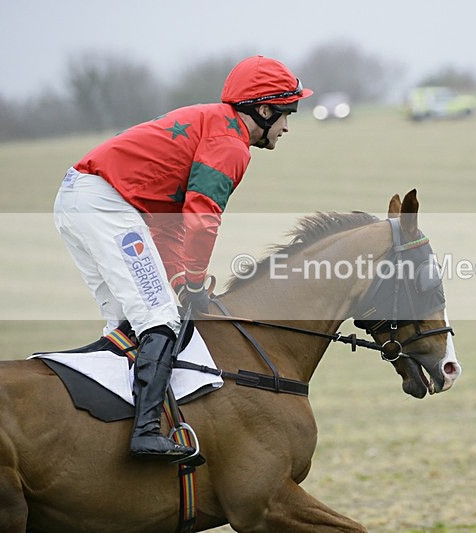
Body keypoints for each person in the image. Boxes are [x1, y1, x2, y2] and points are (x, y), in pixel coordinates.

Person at [53, 56, 312, 460]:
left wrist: (181, 282)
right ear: (264, 110)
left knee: (128, 321)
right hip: (104, 204)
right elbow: (202, 217)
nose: (287, 127)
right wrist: (193, 282)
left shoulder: (214, 124)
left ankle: (107, 429)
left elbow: (169, 225)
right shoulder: (230, 145)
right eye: (286, 114)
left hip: (82, 198)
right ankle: (145, 433)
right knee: (158, 319)